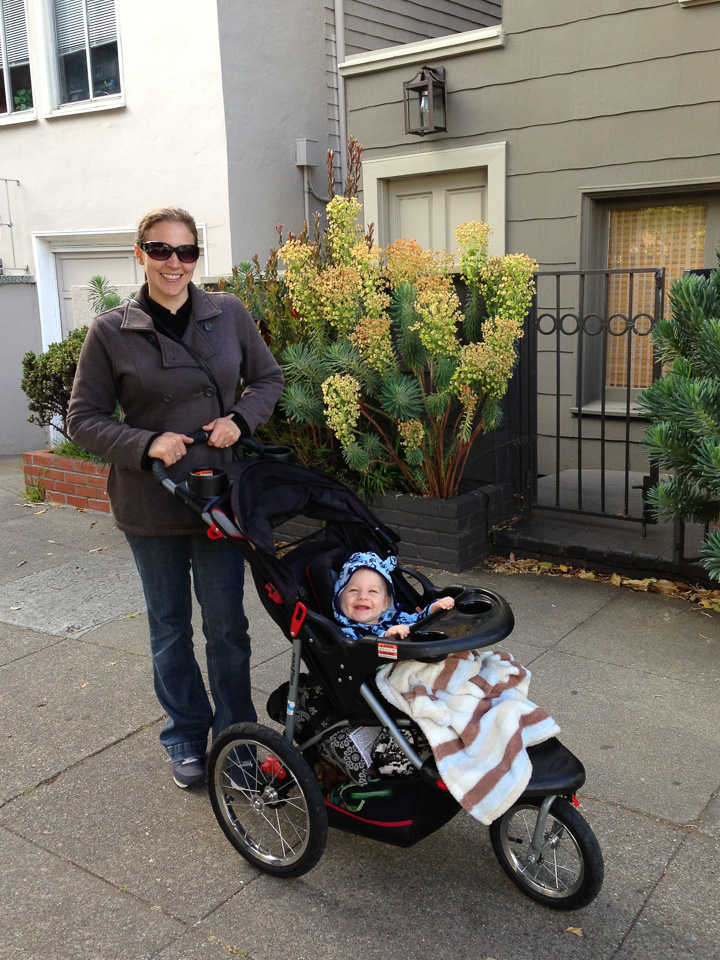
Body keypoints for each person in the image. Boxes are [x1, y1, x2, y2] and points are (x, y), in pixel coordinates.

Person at [67, 206, 284, 789]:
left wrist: (240, 420)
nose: (174, 263)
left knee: (227, 626)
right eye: (161, 250)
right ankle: (185, 733)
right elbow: (83, 418)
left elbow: (268, 380)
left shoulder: (228, 313)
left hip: (217, 497)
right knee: (169, 628)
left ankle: (236, 734)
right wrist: (145, 442)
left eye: (186, 251)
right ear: (139, 254)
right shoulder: (111, 331)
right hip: (152, 499)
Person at [333, 552, 455, 640]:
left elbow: (419, 620)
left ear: (385, 603)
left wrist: (434, 609)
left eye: (372, 591)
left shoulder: (395, 617)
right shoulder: (347, 634)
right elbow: (359, 653)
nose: (363, 597)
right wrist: (386, 638)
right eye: (354, 590)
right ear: (338, 600)